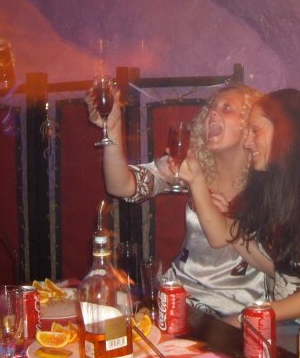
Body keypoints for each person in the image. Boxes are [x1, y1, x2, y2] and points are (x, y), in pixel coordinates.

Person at [179, 88, 300, 342]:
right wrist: (196, 181)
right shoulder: (279, 193)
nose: (247, 142)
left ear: (286, 132)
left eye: (255, 130)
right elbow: (225, 238)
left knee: (218, 344)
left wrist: (247, 317)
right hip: (285, 327)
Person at [86, 84, 266, 318]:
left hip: (240, 310)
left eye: (227, 108)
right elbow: (120, 186)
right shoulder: (190, 165)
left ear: (250, 124)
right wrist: (112, 129)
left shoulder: (268, 181)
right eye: (211, 108)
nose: (213, 112)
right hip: (178, 298)